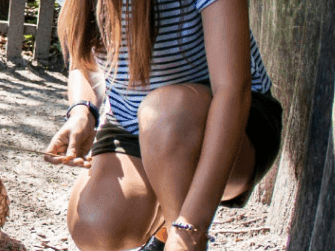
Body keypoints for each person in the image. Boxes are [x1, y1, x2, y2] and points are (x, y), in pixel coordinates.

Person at [43, 0, 282, 249]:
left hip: (230, 124)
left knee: (163, 113)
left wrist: (189, 230)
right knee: (95, 225)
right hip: (133, 125)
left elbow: (232, 92)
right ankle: (165, 231)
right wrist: (83, 112)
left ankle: (181, 234)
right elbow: (83, 63)